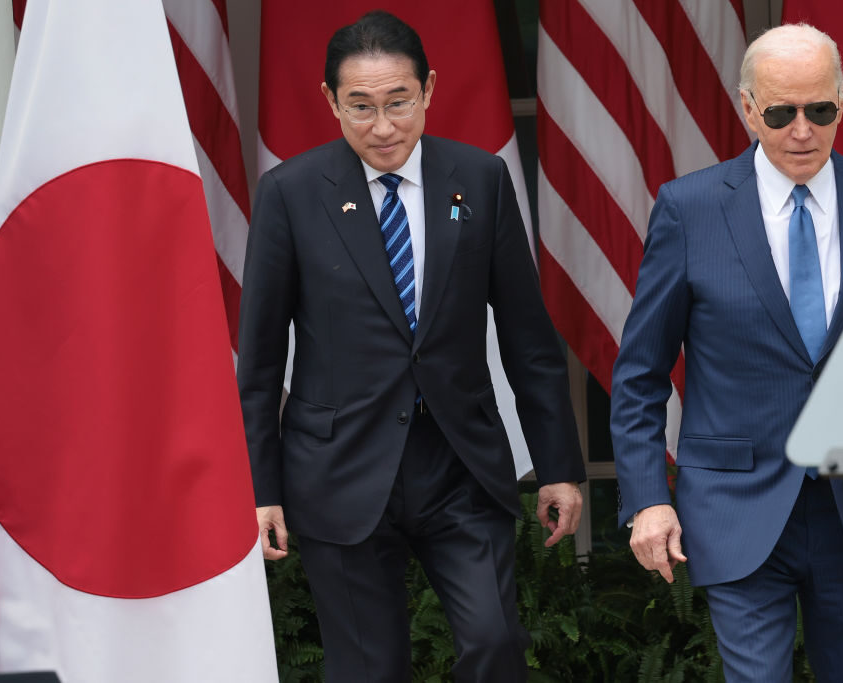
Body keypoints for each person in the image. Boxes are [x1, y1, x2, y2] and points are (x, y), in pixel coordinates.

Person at [610, 23, 843, 683]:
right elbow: (639, 374)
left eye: (820, 110)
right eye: (780, 112)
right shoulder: (688, 210)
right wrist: (646, 497)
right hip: (736, 505)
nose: (801, 129)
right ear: (749, 108)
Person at [237, 10, 585, 683]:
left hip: (459, 464)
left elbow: (527, 337)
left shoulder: (478, 179)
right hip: (340, 468)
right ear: (330, 102)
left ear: (428, 89)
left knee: (495, 642)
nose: (384, 125)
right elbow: (258, 362)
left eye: (399, 101)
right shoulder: (291, 194)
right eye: (361, 107)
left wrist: (560, 465)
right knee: (370, 668)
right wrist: (262, 487)